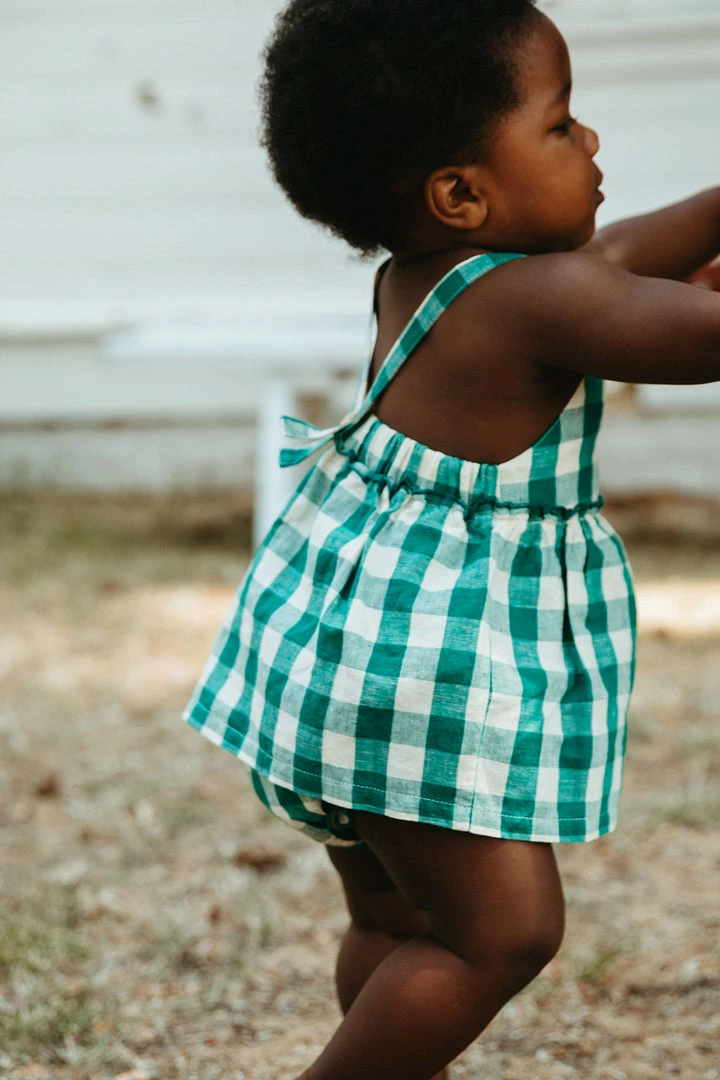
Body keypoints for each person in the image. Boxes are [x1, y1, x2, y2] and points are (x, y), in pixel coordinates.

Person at [182, 2, 720, 1077]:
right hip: (417, 679)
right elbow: (684, 330)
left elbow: (611, 256)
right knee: (500, 934)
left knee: (395, 922)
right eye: (560, 124)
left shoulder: (427, 276)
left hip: (337, 659)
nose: (592, 140)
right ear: (462, 194)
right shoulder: (544, 301)